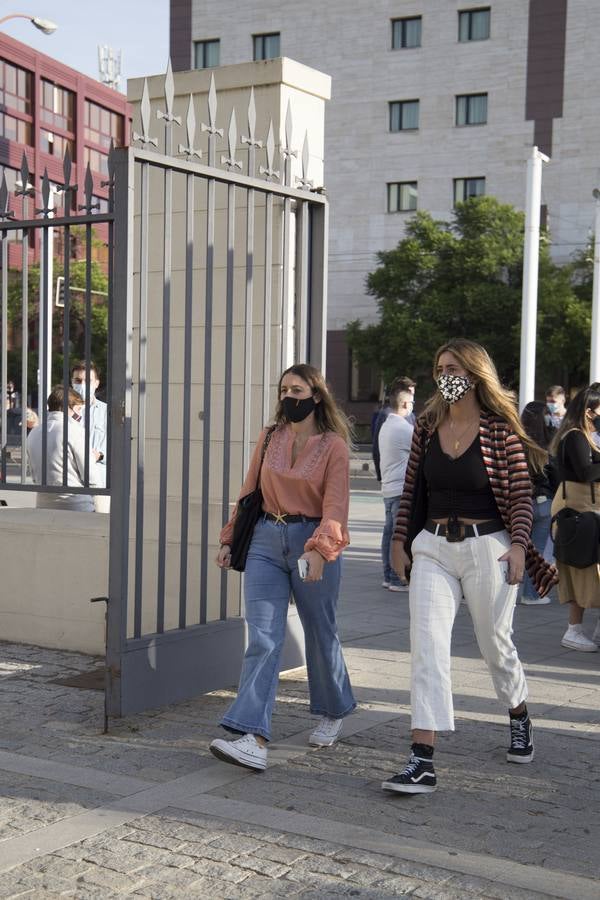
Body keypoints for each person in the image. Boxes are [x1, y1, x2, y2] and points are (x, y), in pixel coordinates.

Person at [382, 339, 557, 795]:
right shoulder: (426, 425)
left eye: (453, 367)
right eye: (439, 367)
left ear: (475, 374)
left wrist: (520, 545)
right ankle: (422, 757)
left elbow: (519, 495)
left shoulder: (500, 430)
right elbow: (412, 489)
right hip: (433, 548)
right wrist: (401, 540)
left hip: (489, 549)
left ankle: (518, 712)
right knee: (427, 645)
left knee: (495, 643)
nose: (444, 375)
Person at [210, 363, 356, 771]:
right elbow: (249, 491)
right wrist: (230, 538)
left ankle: (334, 708)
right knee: (263, 636)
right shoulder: (270, 436)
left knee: (320, 631)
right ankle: (252, 737)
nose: (288, 397)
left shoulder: (333, 447)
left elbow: (336, 505)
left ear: (316, 395)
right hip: (264, 539)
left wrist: (319, 548)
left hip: (311, 541)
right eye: (283, 390)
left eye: (297, 389)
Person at [550, 385, 600, 652]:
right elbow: (585, 472)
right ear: (590, 410)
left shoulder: (590, 435)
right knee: (581, 569)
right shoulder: (575, 437)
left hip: (590, 511)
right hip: (579, 513)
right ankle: (574, 630)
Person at [27, 386, 103, 512]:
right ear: (68, 407)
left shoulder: (34, 433)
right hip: (77, 505)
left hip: (43, 505)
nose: (80, 414)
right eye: (79, 409)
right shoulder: (74, 431)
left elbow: (34, 475)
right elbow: (91, 476)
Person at [518, 401, 559, 606]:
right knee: (538, 551)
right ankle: (531, 594)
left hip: (517, 503)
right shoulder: (547, 446)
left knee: (511, 548)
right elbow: (556, 477)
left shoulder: (514, 441)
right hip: (543, 503)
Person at [379, 385, 414, 592]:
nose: (412, 407)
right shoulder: (404, 428)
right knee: (398, 536)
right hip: (401, 489)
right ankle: (397, 578)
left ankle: (388, 575)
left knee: (388, 534)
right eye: (411, 403)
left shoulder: (386, 425)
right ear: (404, 404)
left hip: (388, 488)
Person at [372, 376, 416, 481]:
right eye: (410, 394)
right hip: (394, 479)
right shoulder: (385, 416)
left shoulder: (412, 416)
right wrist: (380, 476)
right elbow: (377, 447)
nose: (413, 397)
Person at [71, 361, 107, 481]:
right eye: (78, 381)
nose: (82, 385)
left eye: (88, 381)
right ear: (72, 382)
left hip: (97, 479)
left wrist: (100, 455)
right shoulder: (62, 411)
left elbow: (117, 446)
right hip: (70, 479)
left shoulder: (106, 412)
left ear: (96, 383)